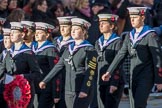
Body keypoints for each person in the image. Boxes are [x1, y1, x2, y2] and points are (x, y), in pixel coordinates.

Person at [102, 7, 162, 108]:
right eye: (131, 17)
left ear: (142, 18)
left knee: (139, 104)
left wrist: (159, 80)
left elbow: (158, 59)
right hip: (132, 75)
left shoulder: (150, 35)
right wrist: (109, 71)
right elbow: (121, 54)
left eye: (135, 17)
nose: (132, 20)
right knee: (133, 104)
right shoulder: (130, 35)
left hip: (146, 76)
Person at [39, 18, 97, 108]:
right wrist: (45, 80)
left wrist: (85, 89)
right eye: (72, 29)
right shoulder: (68, 49)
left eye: (76, 29)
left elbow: (90, 71)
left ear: (84, 31)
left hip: (81, 88)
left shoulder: (89, 49)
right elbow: (58, 66)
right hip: (68, 90)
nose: (73, 31)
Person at [0, 22, 42, 108]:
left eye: (14, 32)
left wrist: (23, 76)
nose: (11, 34)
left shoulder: (28, 53)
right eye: (11, 32)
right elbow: (1, 69)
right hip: (9, 90)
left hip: (24, 91)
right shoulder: (8, 52)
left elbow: (37, 73)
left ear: (22, 35)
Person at [95, 14, 124, 108]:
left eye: (104, 23)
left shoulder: (117, 42)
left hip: (112, 81)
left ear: (111, 26)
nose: (101, 25)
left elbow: (118, 64)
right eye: (100, 23)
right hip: (100, 81)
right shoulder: (98, 42)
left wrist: (114, 83)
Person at [0, 28, 12, 108]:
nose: (5, 40)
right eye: (4, 38)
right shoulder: (2, 54)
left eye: (7, 38)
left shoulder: (14, 53)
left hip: (10, 86)